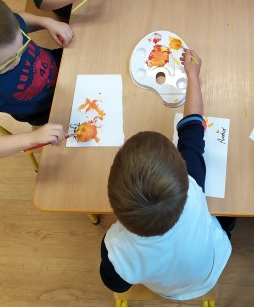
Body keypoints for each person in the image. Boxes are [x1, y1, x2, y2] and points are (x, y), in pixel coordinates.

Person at [100, 48, 233, 300]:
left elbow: (116, 285)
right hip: (212, 268)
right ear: (184, 171)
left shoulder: (116, 250)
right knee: (229, 212)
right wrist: (192, 75)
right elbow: (193, 126)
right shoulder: (192, 188)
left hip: (169, 290)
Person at [0, 0, 72, 161]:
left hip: (63, 67)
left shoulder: (4, 27)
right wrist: (31, 138)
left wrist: (47, 22)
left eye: (21, 47)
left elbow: (21, 19)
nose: (17, 61)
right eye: (5, 63)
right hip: (49, 111)